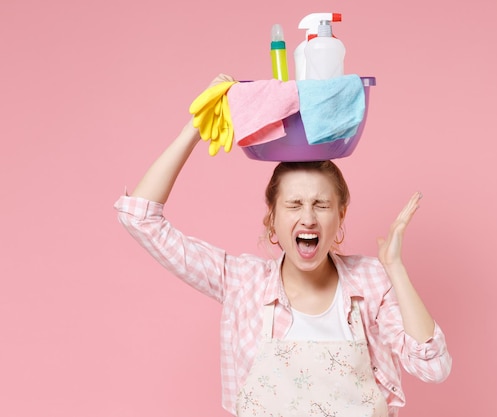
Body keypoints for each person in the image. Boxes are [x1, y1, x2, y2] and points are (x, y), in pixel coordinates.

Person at [114, 75, 452, 417]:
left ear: (341, 214)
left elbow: (433, 368)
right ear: (272, 217)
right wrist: (195, 129)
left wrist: (396, 269)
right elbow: (139, 219)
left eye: (321, 204)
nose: (308, 218)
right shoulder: (243, 281)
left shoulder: (372, 281)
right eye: (294, 205)